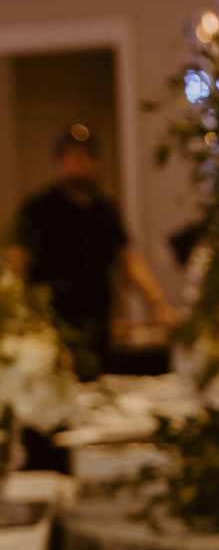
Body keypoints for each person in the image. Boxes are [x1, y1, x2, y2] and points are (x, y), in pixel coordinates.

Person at [8, 124, 176, 373]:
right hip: (51, 328)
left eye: (85, 156)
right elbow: (16, 262)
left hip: (97, 327)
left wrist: (158, 303)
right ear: (59, 162)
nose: (79, 164)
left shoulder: (105, 211)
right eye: (72, 156)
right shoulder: (38, 209)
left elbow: (128, 260)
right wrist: (14, 315)